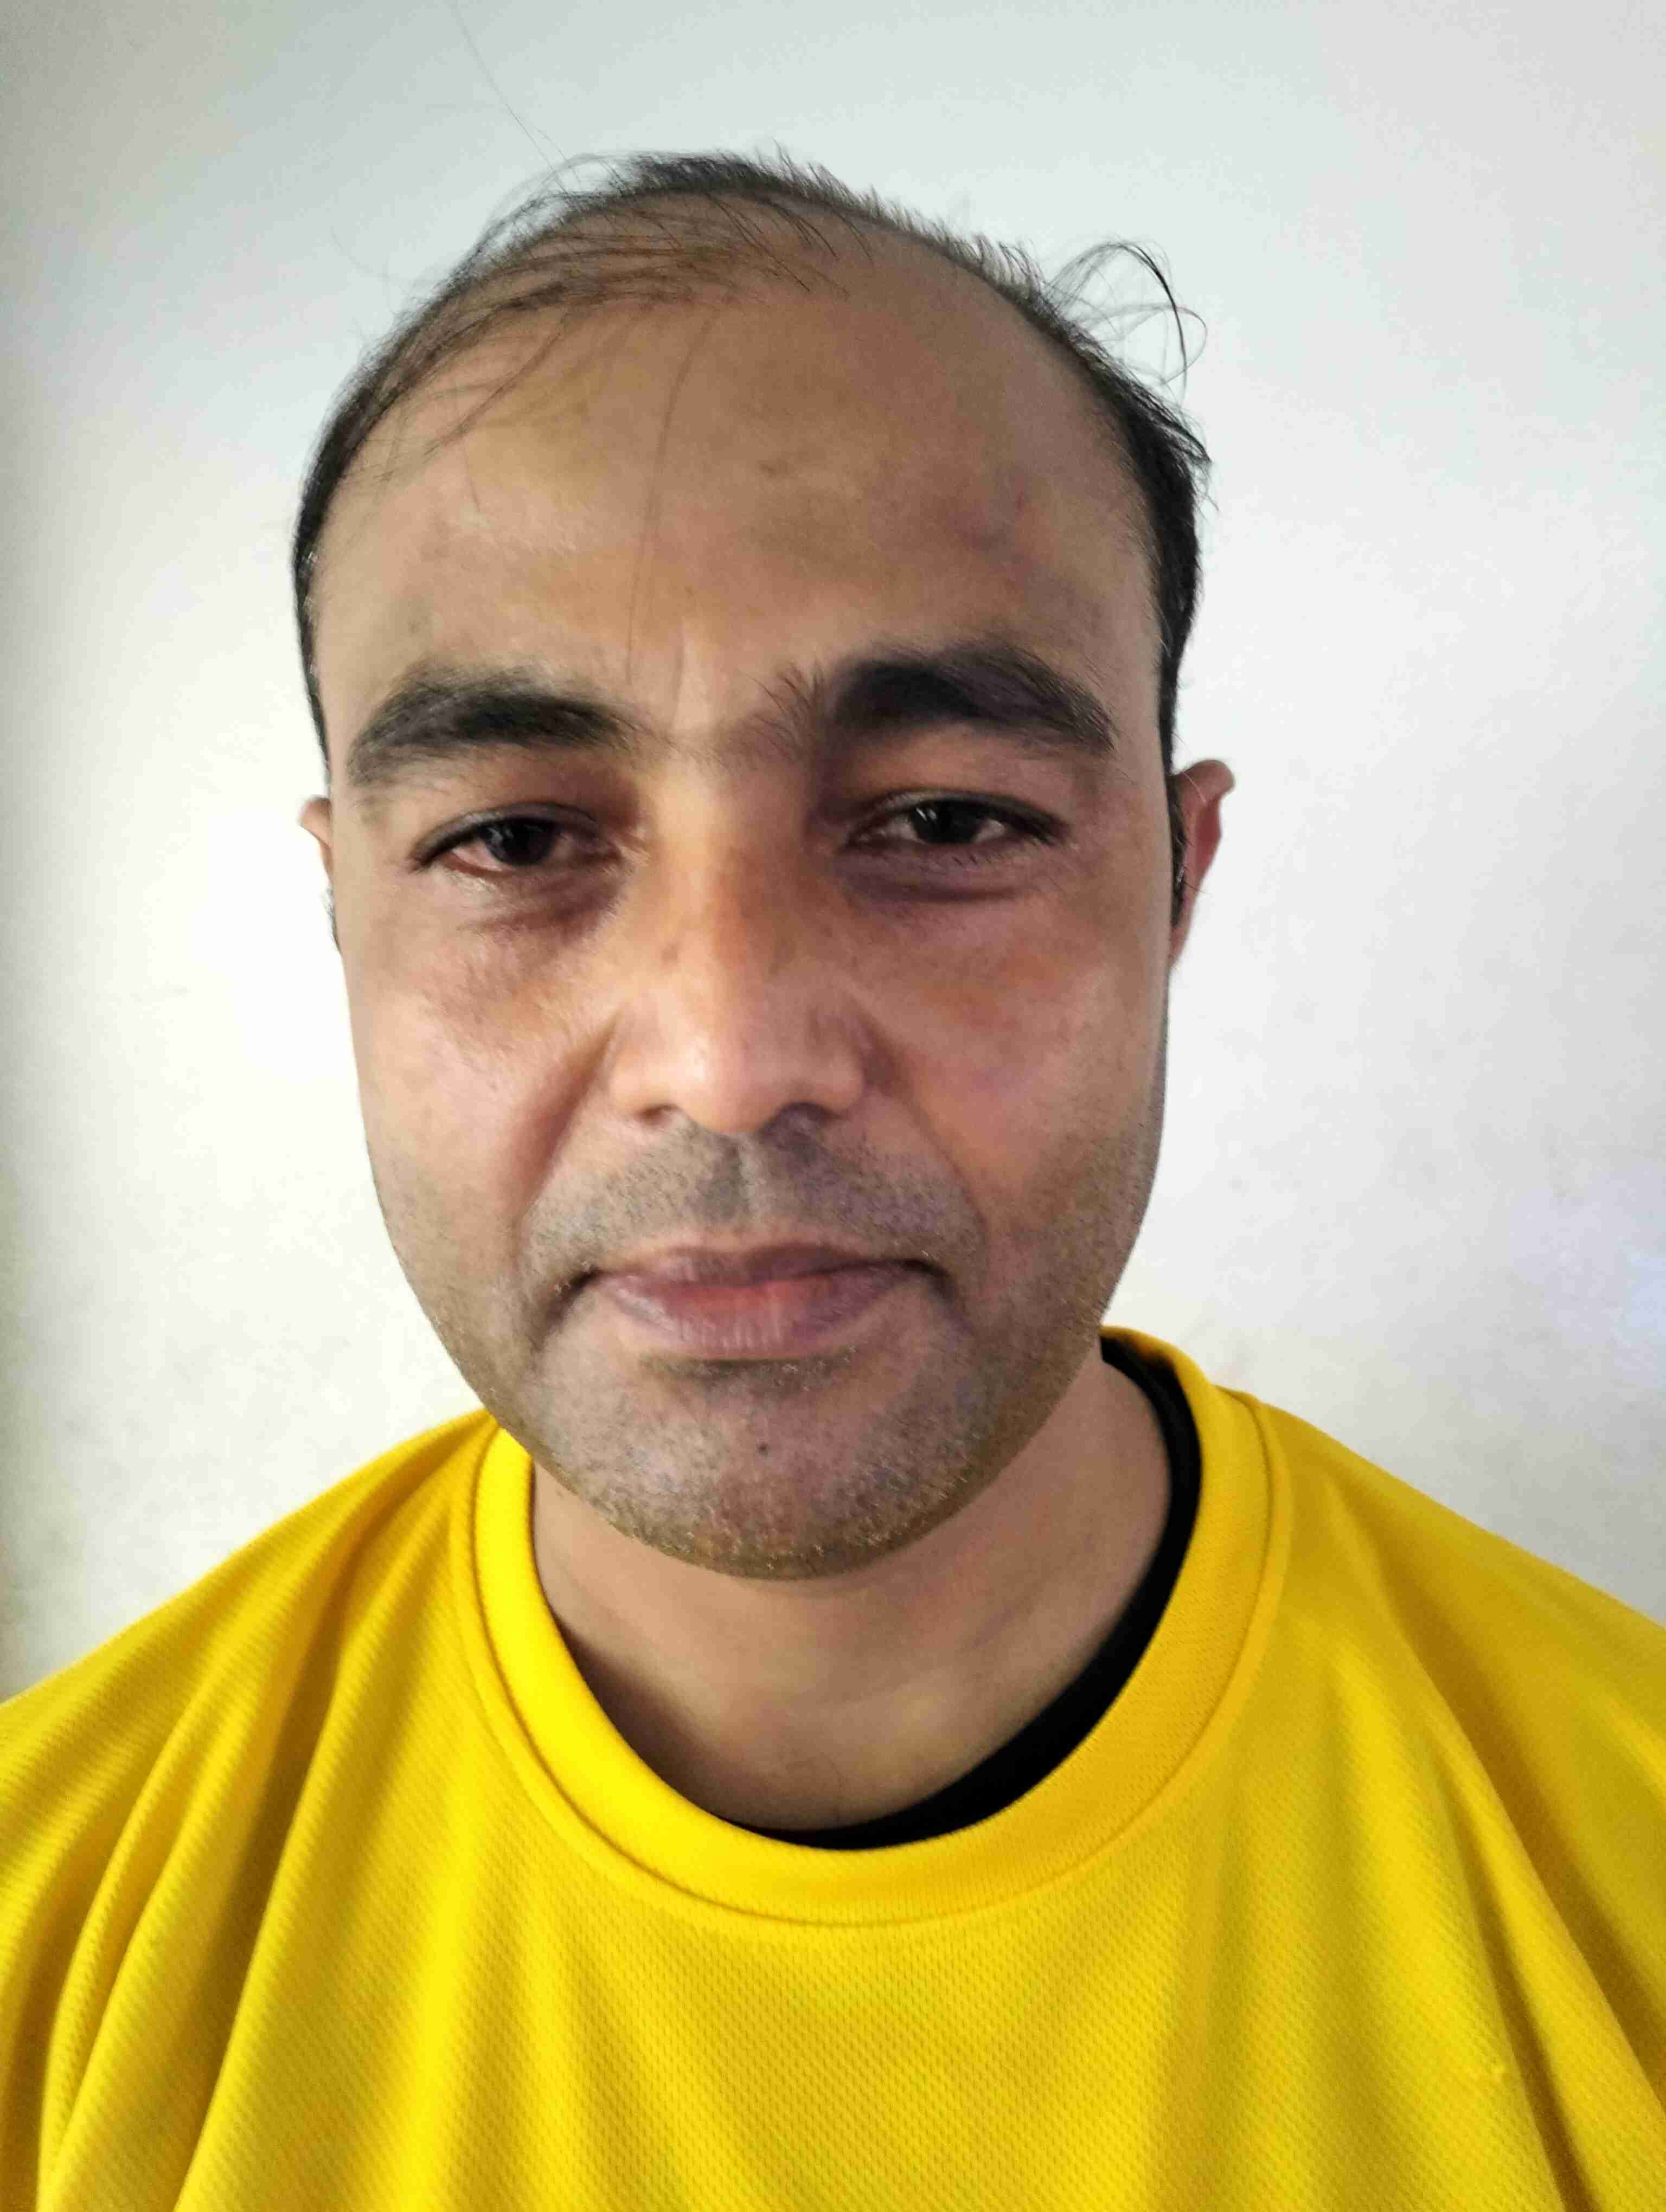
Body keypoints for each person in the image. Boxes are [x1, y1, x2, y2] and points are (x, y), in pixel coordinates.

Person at [3, 149, 1662, 2211]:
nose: (728, 1062)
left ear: (1176, 881)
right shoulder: (55, 1928)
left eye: (947, 821)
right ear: (346, 910)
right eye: (516, 841)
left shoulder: (1620, 1872)